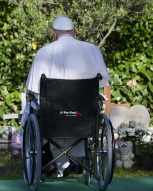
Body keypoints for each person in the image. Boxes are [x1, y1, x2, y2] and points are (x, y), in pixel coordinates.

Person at [21, 16, 110, 178]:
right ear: (75, 32)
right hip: (84, 118)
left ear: (54, 34)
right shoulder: (92, 50)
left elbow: (32, 89)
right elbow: (103, 80)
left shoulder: (43, 52)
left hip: (53, 119)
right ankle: (73, 161)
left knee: (30, 109)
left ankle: (49, 162)